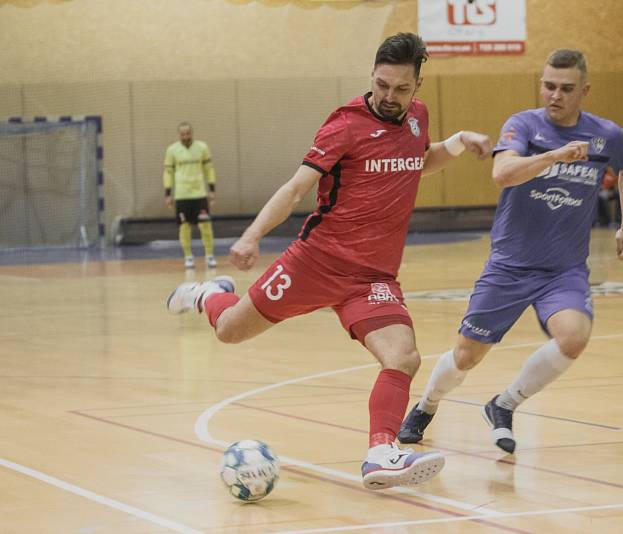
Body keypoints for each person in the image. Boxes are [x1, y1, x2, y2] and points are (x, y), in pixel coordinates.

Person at [166, 33, 491, 489]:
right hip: (316, 263)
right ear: (372, 77)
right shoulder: (344, 125)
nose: (389, 97)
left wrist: (457, 142)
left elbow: (416, 161)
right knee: (230, 332)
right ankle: (209, 295)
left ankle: (381, 452)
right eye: (381, 85)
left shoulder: (418, 117)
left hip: (373, 276)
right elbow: (297, 187)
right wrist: (252, 236)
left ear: (418, 84)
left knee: (403, 356)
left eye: (401, 89)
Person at [398, 49, 623, 454]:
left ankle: (503, 404)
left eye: (566, 89)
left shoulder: (606, 135)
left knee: (574, 337)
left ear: (585, 90)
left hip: (563, 271)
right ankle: (426, 405)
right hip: (509, 268)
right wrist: (553, 156)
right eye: (548, 85)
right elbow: (501, 174)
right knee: (466, 355)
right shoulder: (524, 125)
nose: (555, 95)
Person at [163, 122, 218, 269]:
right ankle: (188, 257)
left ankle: (209, 255)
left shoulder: (202, 147)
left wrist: (212, 190)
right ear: (179, 134)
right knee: (184, 227)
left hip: (199, 194)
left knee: (205, 226)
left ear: (191, 133)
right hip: (181, 195)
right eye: (182, 134)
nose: (185, 136)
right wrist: (168, 193)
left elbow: (209, 169)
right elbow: (168, 173)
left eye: (188, 133)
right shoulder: (172, 150)